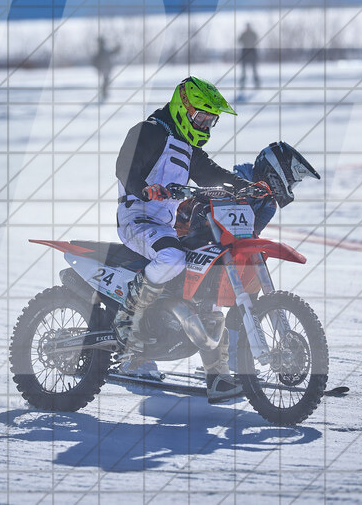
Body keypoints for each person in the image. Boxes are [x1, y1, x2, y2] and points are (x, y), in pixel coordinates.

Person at [113, 76, 269, 402]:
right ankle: (127, 319)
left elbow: (212, 173)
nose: (206, 125)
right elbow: (125, 166)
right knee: (173, 258)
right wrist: (144, 188)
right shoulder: (150, 131)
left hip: (164, 228)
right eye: (202, 117)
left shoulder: (187, 147)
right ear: (182, 107)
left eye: (211, 120)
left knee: (206, 282)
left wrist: (245, 186)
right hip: (137, 220)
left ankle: (217, 377)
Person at [92, 35, 120, 101]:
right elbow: (110, 53)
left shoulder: (101, 50)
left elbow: (111, 53)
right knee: (106, 80)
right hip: (105, 68)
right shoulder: (102, 50)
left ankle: (104, 93)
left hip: (105, 68)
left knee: (106, 80)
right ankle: (104, 93)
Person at [238, 23, 260, 90]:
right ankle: (242, 85)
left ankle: (257, 84)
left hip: (252, 52)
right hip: (245, 53)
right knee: (243, 71)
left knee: (254, 70)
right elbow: (239, 41)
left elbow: (256, 40)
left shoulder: (253, 34)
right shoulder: (243, 34)